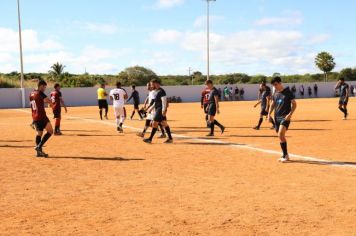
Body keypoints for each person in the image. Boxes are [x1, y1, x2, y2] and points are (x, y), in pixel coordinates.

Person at [268, 77, 297, 163]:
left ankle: (285, 155)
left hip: (285, 117)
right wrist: (269, 114)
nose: (275, 86)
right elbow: (272, 104)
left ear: (280, 83)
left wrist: (290, 114)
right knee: (280, 136)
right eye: (273, 85)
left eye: (276, 84)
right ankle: (285, 155)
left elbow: (294, 104)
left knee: (281, 134)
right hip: (277, 117)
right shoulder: (275, 93)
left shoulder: (288, 92)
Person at [143, 80, 173, 144]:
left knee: (154, 123)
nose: (151, 86)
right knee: (164, 123)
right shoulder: (157, 91)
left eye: (152, 84)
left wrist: (164, 110)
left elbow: (164, 101)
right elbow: (156, 102)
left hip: (160, 109)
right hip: (158, 109)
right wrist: (151, 108)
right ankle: (170, 139)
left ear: (156, 84)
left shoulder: (161, 91)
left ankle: (150, 139)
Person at [29, 80, 54, 158]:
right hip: (42, 116)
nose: (44, 89)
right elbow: (48, 101)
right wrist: (51, 104)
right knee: (50, 131)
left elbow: (36, 103)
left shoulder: (31, 93)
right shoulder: (40, 93)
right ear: (40, 86)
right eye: (44, 87)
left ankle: (39, 152)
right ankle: (39, 147)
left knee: (39, 133)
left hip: (35, 116)